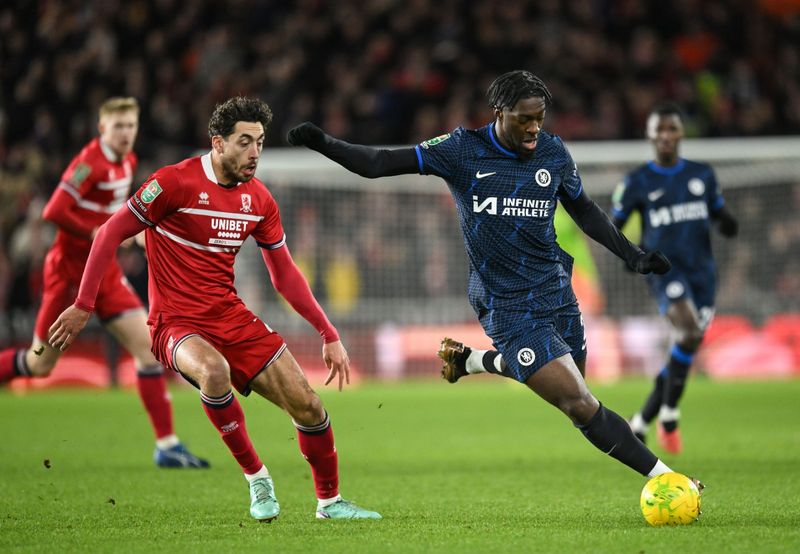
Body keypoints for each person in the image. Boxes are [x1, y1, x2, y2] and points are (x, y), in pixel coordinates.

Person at [287, 70, 703, 489]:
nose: (535, 128)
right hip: (505, 304)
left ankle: (471, 360)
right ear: (500, 113)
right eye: (525, 118)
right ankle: (669, 480)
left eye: (540, 117)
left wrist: (633, 255)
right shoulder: (461, 150)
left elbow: (586, 211)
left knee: (571, 379)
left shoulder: (553, 153)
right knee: (579, 403)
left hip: (556, 291)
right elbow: (379, 164)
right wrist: (325, 143)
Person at [48, 96, 381, 522]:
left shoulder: (259, 200)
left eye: (259, 142)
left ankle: (330, 503)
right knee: (214, 371)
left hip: (230, 316)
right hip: (175, 322)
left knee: (310, 407)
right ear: (218, 143)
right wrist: (82, 304)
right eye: (245, 142)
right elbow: (109, 233)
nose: (255, 153)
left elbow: (285, 275)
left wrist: (328, 332)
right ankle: (256, 477)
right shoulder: (173, 183)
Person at [0, 97, 208, 469]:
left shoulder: (127, 162)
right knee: (39, 365)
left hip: (106, 274)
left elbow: (117, 215)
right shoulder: (88, 163)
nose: (126, 134)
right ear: (102, 129)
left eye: (131, 126)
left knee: (149, 349)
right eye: (119, 127)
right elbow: (54, 210)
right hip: (67, 275)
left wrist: (139, 236)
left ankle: (167, 446)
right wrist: (96, 231)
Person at [611, 103, 738, 454]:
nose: (665, 136)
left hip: (703, 275)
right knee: (689, 333)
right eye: (659, 130)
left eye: (672, 129)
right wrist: (632, 256)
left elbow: (720, 213)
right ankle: (669, 415)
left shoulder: (702, 175)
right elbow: (612, 227)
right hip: (666, 271)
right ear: (650, 135)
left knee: (685, 346)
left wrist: (729, 222)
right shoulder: (637, 181)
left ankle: (639, 422)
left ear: (681, 134)